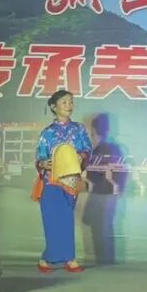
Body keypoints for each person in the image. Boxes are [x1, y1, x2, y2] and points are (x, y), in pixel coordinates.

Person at [32, 90, 92, 273]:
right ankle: (55, 259)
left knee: (66, 219)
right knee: (52, 221)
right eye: (64, 102)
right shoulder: (47, 133)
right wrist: (43, 163)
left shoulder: (79, 129)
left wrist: (82, 156)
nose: (69, 106)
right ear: (54, 107)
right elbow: (40, 157)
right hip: (51, 181)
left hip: (71, 181)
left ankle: (65, 257)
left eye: (71, 102)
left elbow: (88, 149)